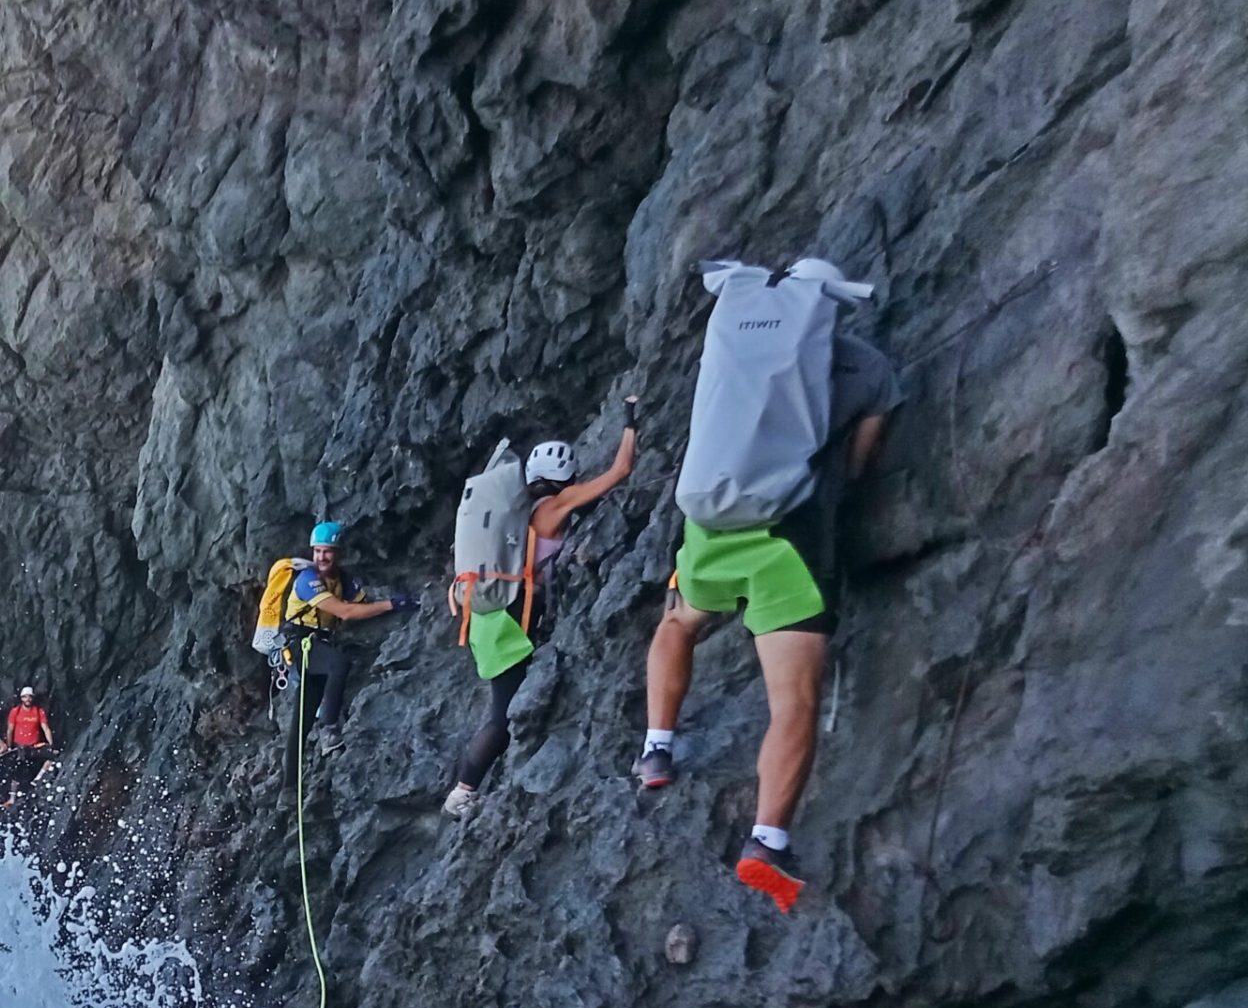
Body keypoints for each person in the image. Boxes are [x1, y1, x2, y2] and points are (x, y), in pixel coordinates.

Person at [633, 259, 904, 910]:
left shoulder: (739, 347)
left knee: (678, 622)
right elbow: (863, 465)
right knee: (793, 701)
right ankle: (767, 840)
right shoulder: (871, 370)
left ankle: (656, 750)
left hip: (711, 521)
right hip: (791, 535)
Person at [443, 401, 639, 817]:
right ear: (565, 478)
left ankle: (467, 788)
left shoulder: (520, 510)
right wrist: (630, 421)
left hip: (489, 616)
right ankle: (462, 792)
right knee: (503, 714)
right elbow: (620, 472)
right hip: (513, 622)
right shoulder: (556, 505)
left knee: (505, 706)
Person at [282, 521, 416, 742]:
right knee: (339, 663)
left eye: (327, 552)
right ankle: (329, 728)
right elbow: (346, 612)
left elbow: (361, 604)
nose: (321, 557)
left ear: (338, 553)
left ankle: (298, 764)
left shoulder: (343, 580)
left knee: (300, 726)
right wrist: (391, 604)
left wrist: (393, 601)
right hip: (300, 647)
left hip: (320, 647)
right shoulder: (307, 580)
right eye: (317, 551)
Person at [0, 685, 55, 807]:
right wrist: (9, 747)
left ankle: (38, 779)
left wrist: (51, 745)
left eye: (29, 697)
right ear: (21, 698)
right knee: (16, 773)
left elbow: (45, 728)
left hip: (34, 746)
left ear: (32, 698)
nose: (27, 699)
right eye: (25, 697)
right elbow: (10, 730)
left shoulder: (39, 711)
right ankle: (11, 799)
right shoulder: (15, 711)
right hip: (20, 747)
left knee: (52, 757)